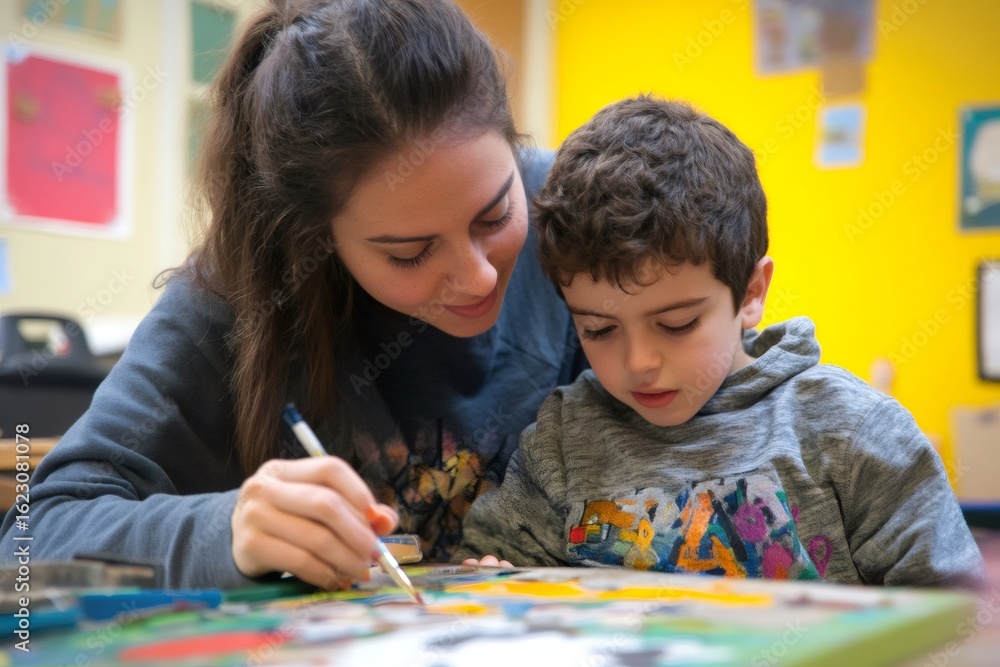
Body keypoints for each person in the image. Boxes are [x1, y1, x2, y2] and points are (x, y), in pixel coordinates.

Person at [0, 0, 586, 590]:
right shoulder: (239, 294)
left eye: (495, 216)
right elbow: (32, 537)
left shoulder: (573, 210)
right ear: (317, 236)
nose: (478, 277)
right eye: (410, 253)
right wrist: (228, 530)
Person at [454, 96, 987, 588]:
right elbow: (498, 578)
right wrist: (494, 581)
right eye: (598, 329)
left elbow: (954, 617)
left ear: (751, 293)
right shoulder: (562, 441)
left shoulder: (852, 434)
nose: (638, 363)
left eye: (677, 324)